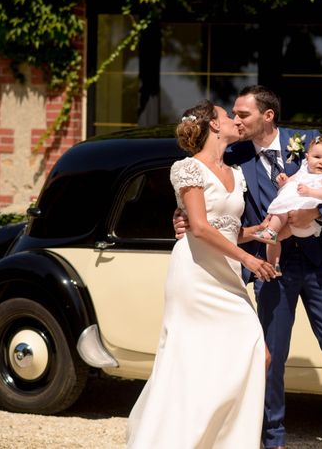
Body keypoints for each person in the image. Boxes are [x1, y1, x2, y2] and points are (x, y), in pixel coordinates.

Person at [176, 86, 322, 449]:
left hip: (321, 264)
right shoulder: (233, 155)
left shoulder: (311, 142)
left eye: (243, 114)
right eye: (232, 114)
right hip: (270, 264)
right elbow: (207, 194)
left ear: (267, 116)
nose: (236, 120)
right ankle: (272, 439)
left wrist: (318, 212)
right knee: (270, 356)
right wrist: (182, 216)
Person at [127, 100, 279, 449]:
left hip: (225, 273)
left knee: (257, 352)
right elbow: (197, 226)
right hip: (195, 274)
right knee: (192, 358)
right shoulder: (187, 169)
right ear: (213, 124)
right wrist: (248, 259)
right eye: (228, 116)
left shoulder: (236, 171)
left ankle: (225, 439)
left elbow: (226, 228)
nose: (235, 121)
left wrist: (255, 232)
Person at [252, 134, 322, 270]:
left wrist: (310, 191)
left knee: (279, 213)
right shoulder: (303, 170)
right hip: (292, 222)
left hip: (307, 219)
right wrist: (283, 181)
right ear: (307, 158)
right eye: (317, 157)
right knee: (275, 239)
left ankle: (269, 231)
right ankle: (273, 265)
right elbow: (290, 181)